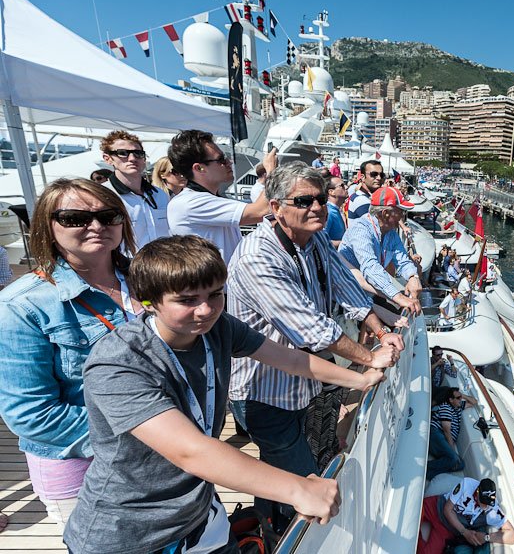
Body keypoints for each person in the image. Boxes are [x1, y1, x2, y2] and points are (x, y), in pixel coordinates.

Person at [63, 235, 383, 553]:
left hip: (202, 519)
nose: (205, 309)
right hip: (131, 534)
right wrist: (299, 488)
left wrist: (359, 380)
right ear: (147, 300)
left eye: (215, 294)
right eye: (187, 299)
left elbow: (290, 358)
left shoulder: (218, 327)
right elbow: (190, 451)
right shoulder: (119, 362)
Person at [227, 163, 402, 529]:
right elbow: (311, 329)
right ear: (275, 207)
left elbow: (346, 286)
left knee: (279, 471)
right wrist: (371, 358)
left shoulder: (314, 237)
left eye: (320, 199)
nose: (317, 207)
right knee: (305, 484)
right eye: (304, 200)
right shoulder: (259, 257)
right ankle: (283, 532)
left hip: (300, 384)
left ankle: (267, 527)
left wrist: (382, 333)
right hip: (263, 391)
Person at [0, 179, 139, 528]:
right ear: (48, 226)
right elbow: (31, 414)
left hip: (164, 456)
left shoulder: (146, 280)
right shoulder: (22, 305)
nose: (96, 226)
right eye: (75, 218)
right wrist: (150, 432)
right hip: (84, 469)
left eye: (108, 215)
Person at [167, 130, 277, 263]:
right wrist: (271, 171)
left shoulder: (206, 198)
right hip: (213, 283)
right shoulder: (187, 202)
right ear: (199, 168)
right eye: (221, 160)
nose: (229, 162)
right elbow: (261, 211)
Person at [338, 186, 423, 314]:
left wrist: (413, 277)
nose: (402, 216)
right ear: (385, 213)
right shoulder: (361, 229)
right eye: (400, 211)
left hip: (369, 293)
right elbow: (370, 267)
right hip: (348, 297)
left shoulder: (390, 233)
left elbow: (402, 260)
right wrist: (398, 297)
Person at [100, 130, 170, 250]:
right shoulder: (102, 196)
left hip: (164, 265)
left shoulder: (160, 195)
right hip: (126, 267)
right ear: (108, 159)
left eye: (138, 153)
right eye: (123, 153)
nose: (132, 158)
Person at [418, 477, 514, 554]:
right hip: (435, 507)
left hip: (447, 529)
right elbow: (447, 509)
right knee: (411, 514)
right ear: (477, 492)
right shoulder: (467, 484)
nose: (485, 506)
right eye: (483, 501)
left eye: (488, 502)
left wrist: (486, 537)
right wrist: (464, 532)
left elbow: (513, 537)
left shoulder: (492, 510)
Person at [347, 159, 385, 227]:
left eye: (381, 175)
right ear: (363, 177)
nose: (379, 178)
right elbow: (378, 225)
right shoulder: (360, 199)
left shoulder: (368, 197)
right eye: (374, 174)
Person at [323, 174, 349, 247]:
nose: (346, 187)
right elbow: (322, 241)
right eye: (342, 186)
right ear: (331, 192)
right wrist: (346, 244)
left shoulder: (335, 210)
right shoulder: (329, 212)